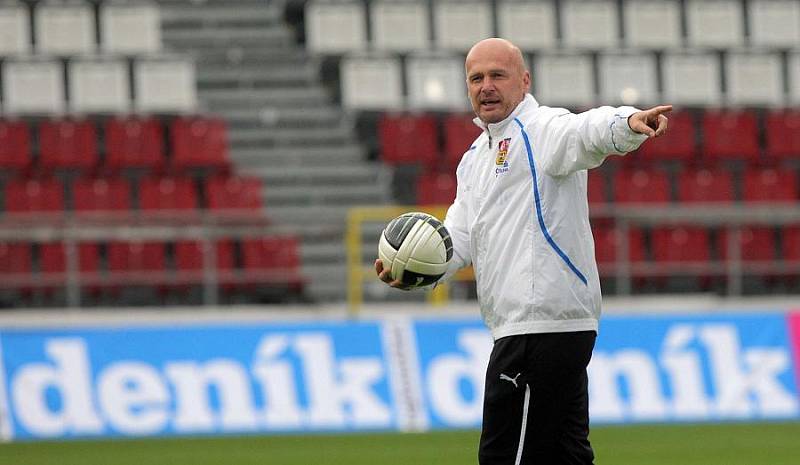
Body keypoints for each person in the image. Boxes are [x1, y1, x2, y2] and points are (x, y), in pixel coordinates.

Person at [375, 38, 671, 465]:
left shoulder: (542, 128)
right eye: (476, 78)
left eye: (498, 75)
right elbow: (458, 238)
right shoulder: (475, 157)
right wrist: (417, 269)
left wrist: (627, 123)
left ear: (524, 81)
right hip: (536, 328)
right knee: (565, 456)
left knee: (504, 456)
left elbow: (586, 130)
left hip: (539, 329)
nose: (486, 86)